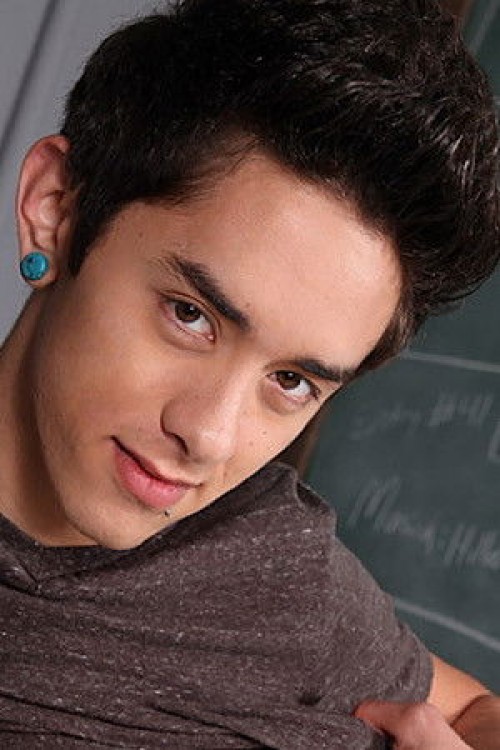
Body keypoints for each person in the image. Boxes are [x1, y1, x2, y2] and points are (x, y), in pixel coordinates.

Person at [0, 0, 499, 747]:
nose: (209, 435)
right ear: (55, 208)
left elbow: (472, 710)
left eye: (292, 381)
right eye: (191, 315)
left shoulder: (276, 565)